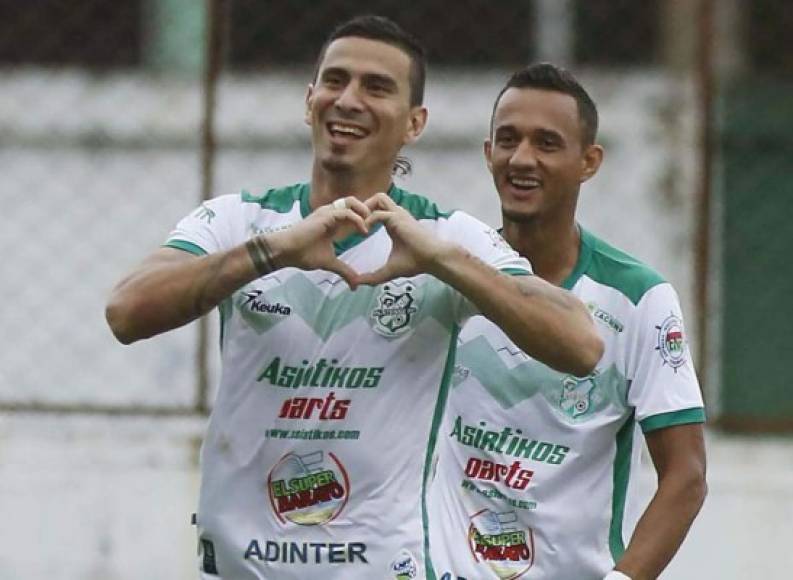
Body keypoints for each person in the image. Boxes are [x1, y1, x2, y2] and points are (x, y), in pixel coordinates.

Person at [105, 18, 602, 580]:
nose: (348, 100)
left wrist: (440, 260)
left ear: (415, 123)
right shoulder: (240, 220)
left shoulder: (444, 236)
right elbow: (126, 311)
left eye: (376, 87)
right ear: (308, 100)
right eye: (334, 81)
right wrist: (272, 252)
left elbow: (581, 344)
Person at [427, 64, 707, 580]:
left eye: (547, 143)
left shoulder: (639, 299)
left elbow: (686, 475)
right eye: (507, 139)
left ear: (589, 161)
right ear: (488, 153)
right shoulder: (447, 278)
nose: (522, 158)